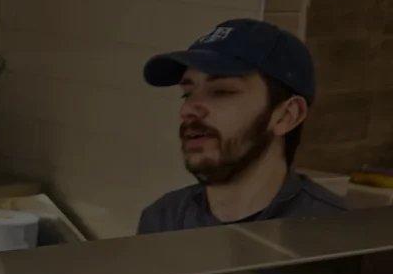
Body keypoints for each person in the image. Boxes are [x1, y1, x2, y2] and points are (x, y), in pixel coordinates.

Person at [135, 18, 348, 234]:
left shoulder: (336, 235)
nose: (188, 109)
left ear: (286, 116)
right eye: (187, 93)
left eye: (222, 91)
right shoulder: (163, 221)